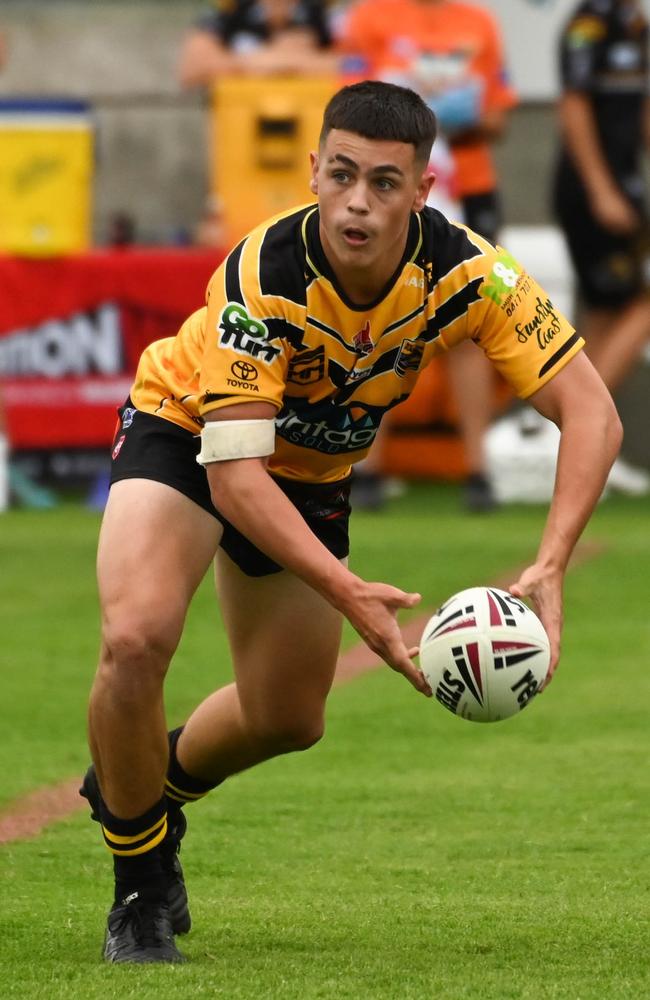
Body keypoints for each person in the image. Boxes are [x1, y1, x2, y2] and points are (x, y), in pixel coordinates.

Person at [80, 81, 621, 964]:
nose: (356, 203)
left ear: (424, 190)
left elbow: (593, 413)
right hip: (191, 436)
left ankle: (140, 787)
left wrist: (552, 562)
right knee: (135, 637)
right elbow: (240, 478)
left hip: (310, 473)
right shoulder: (264, 275)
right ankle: (139, 887)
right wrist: (348, 596)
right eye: (340, 176)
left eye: (382, 182)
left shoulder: (471, 275)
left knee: (290, 717)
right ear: (314, 172)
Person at [338, 0, 518, 512]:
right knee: (380, 313)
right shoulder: (370, 17)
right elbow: (347, 108)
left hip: (469, 185)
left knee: (469, 322)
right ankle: (366, 465)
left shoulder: (477, 22)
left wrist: (454, 109)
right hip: (393, 189)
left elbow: (500, 116)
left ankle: (477, 470)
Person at [553, 0, 650, 495]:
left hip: (626, 188)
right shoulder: (589, 23)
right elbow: (573, 104)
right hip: (593, 193)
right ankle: (585, 432)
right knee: (641, 305)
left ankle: (588, 458)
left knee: (605, 316)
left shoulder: (635, 23)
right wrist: (601, 189)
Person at [177, 0, 339, 89]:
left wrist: (284, 62)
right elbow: (191, 69)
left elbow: (354, 64)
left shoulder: (322, 14)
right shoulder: (232, 11)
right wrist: (270, 58)